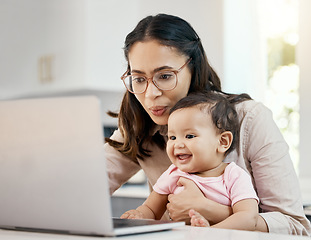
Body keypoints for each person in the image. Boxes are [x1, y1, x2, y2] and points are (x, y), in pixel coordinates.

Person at [104, 13, 311, 235]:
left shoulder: (249, 119)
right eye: (139, 79)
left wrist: (211, 210)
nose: (150, 94)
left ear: (193, 68)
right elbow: (82, 188)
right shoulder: (139, 127)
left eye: (164, 76)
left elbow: (296, 227)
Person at [121, 92, 260, 231]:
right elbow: (151, 210)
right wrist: (138, 215)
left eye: (189, 136)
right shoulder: (173, 174)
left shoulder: (234, 176)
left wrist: (210, 233)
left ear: (223, 142)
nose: (178, 144)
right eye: (172, 137)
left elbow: (248, 218)